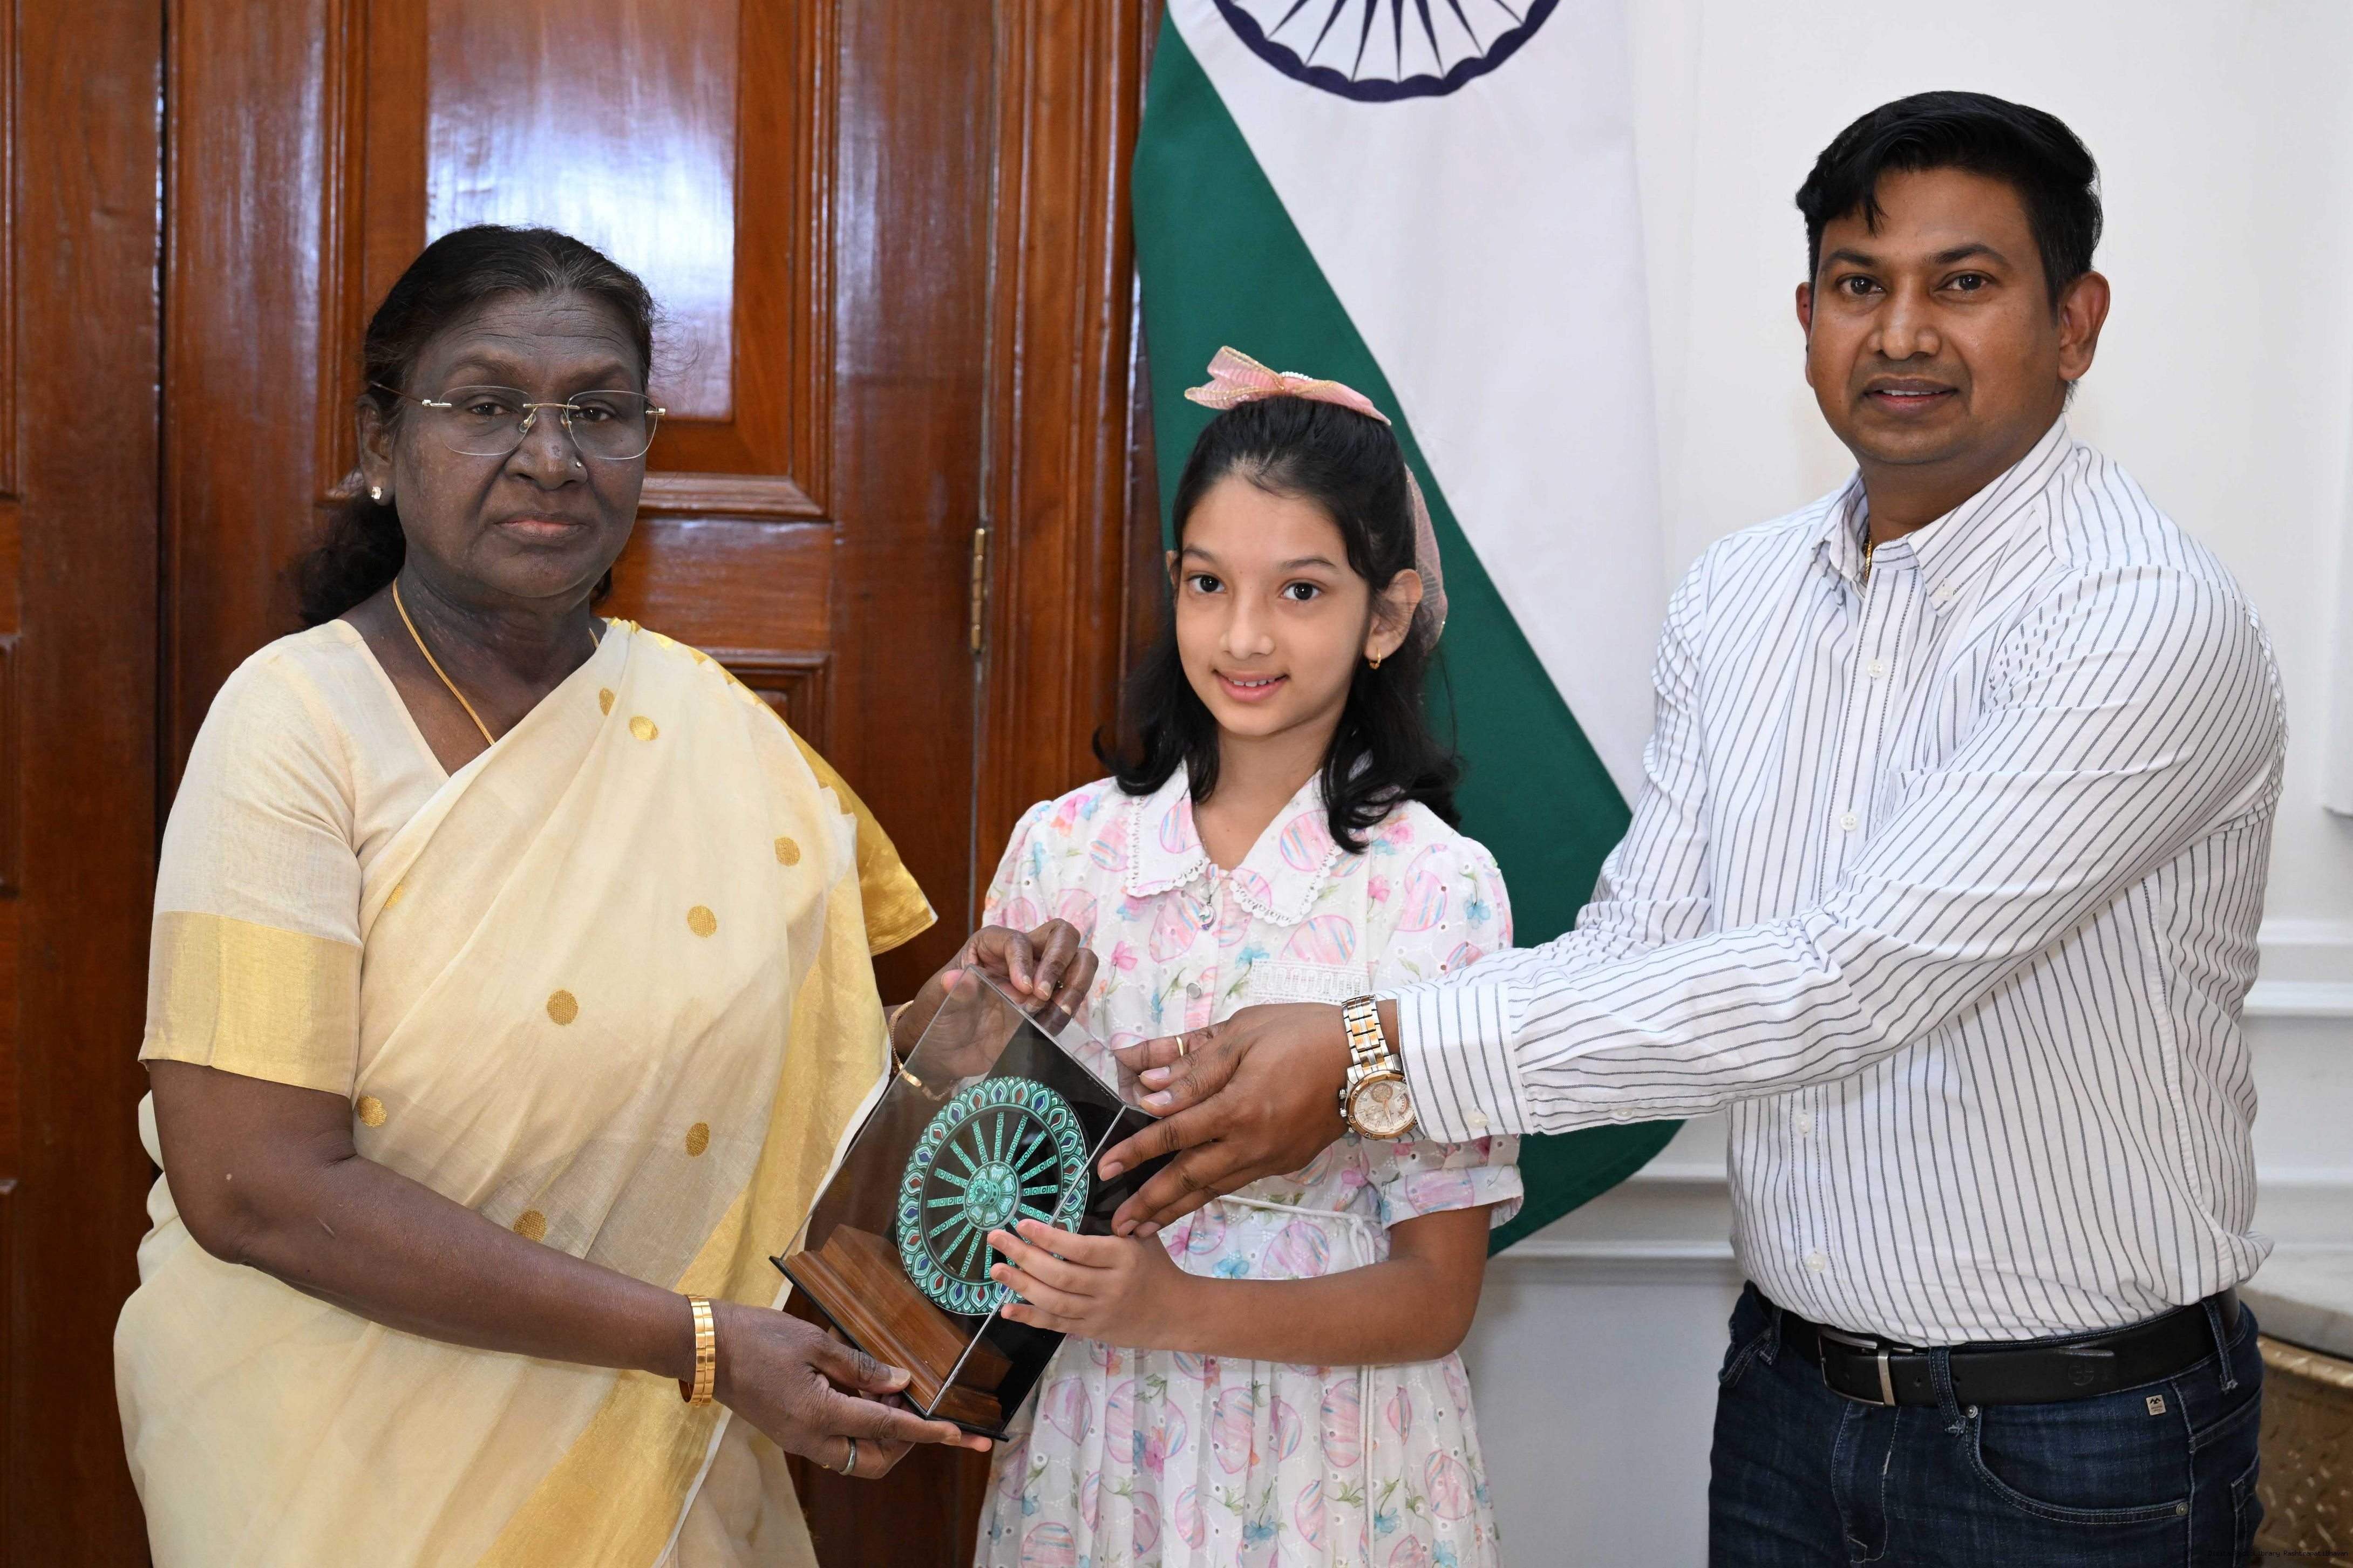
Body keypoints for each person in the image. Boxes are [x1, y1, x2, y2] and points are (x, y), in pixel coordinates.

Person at [1098, 95, 2285, 1566]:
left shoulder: (2142, 618)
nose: (1901, 332)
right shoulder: (1741, 596)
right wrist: (1344, 1046)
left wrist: (1367, 1056)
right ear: (1806, 317)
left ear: (2075, 322)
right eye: (1858, 283)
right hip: (1789, 1397)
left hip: (2077, 1438)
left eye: (1964, 282)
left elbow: (1852, 980)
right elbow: (1639, 946)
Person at [112, 224, 1097, 1567]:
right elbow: (255, 1185)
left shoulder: (714, 729)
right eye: (486, 405)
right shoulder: (292, 727)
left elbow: (761, 1098)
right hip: (338, 1462)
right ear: (381, 444)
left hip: (656, 1455)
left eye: (598, 410)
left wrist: (954, 1030)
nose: (550, 454)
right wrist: (698, 1346)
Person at [968, 351, 1519, 1568]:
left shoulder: (1435, 890)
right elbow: (976, 1176)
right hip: (1094, 1452)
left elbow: (1436, 1294)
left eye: (1302, 590)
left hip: (1336, 1466)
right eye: (1209, 583)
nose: (1245, 633)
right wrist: (961, 1010)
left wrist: (1170, 1304)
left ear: (1386, 616)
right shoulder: (1064, 848)